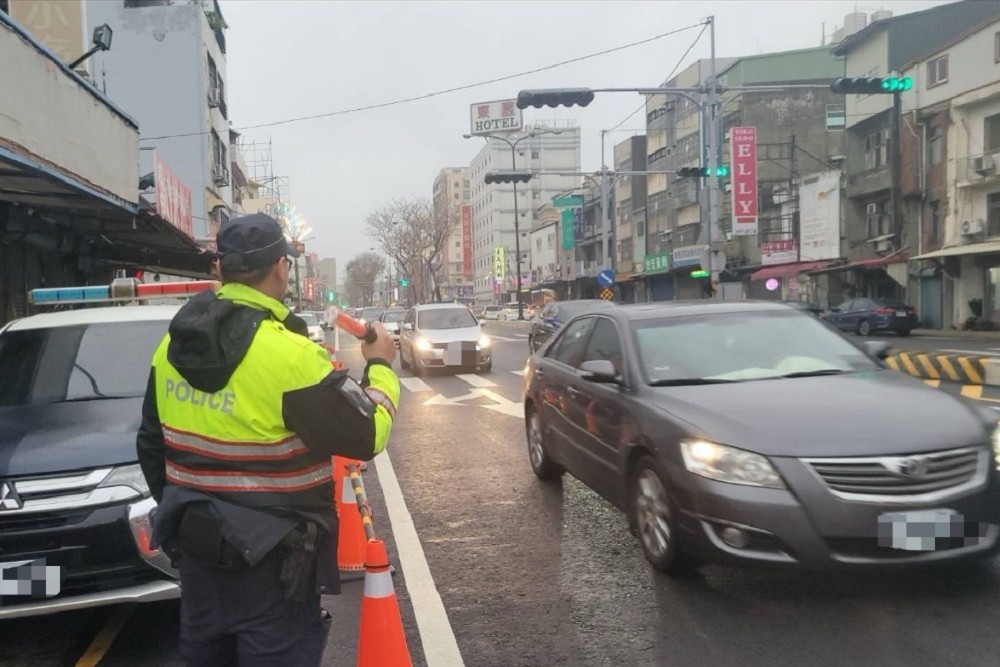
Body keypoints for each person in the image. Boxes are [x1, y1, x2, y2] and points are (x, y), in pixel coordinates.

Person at [136, 213, 399, 666]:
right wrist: (380, 365)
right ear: (281, 267)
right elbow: (368, 434)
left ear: (220, 268)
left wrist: (185, 514)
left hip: (198, 555)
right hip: (276, 567)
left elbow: (150, 445)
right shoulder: (292, 357)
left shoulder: (171, 347)